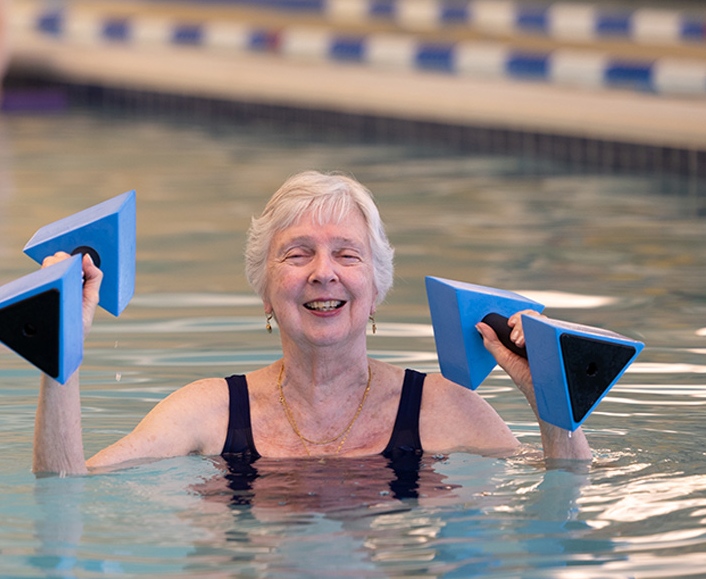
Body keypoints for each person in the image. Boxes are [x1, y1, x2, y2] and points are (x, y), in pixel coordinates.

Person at [33, 170, 592, 477]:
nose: (323, 274)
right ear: (267, 293)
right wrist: (63, 351)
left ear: (375, 292)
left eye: (347, 256)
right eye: (297, 254)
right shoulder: (208, 411)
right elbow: (67, 488)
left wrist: (551, 399)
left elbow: (564, 492)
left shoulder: (444, 410)